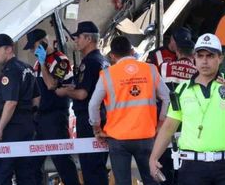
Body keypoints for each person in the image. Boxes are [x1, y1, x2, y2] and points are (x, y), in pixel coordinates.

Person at [149, 33, 225, 185]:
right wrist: (153, 158)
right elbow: (169, 127)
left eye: (210, 56)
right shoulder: (182, 90)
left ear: (220, 58)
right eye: (200, 56)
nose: (205, 61)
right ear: (194, 58)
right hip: (192, 166)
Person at [89, 36, 170, 185]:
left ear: (112, 56)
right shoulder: (150, 70)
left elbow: (93, 105)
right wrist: (161, 124)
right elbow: (167, 98)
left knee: (123, 182)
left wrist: (97, 128)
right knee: (152, 180)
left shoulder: (107, 75)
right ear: (132, 51)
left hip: (117, 139)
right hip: (146, 136)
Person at [56, 21, 109, 185]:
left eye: (78, 37)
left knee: (91, 168)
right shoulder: (103, 60)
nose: (76, 41)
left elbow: (82, 94)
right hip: (102, 117)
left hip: (90, 120)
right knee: (97, 167)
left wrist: (65, 91)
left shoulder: (91, 62)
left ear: (88, 39)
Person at [25, 29, 80, 185]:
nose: (31, 50)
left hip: (55, 117)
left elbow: (50, 85)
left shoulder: (59, 60)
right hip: (40, 118)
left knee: (62, 161)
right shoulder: (37, 63)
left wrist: (43, 64)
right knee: (32, 163)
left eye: (33, 46)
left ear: (43, 42)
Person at [0, 33, 38, 185]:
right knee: (26, 174)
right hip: (27, 128)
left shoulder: (10, 71)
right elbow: (37, 98)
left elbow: (11, 103)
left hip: (11, 129)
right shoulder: (27, 68)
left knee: (3, 173)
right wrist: (31, 120)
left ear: (8, 49)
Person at [157, 32, 198, 184]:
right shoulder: (198, 72)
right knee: (186, 169)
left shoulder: (164, 67)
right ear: (193, 54)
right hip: (189, 127)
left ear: (178, 51)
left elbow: (158, 95)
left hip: (168, 124)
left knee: (166, 168)